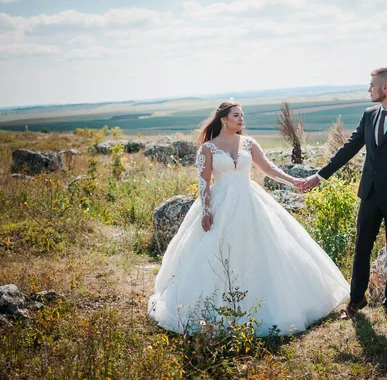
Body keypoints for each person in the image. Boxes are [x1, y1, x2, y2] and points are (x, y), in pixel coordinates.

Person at [148, 101, 349, 336]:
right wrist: (206, 210)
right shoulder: (207, 149)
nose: (241, 119)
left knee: (267, 248)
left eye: (242, 115)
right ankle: (214, 312)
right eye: (236, 115)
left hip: (250, 200)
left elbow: (268, 168)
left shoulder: (249, 144)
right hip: (220, 203)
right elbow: (203, 182)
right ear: (223, 119)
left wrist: (292, 181)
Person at [303, 67, 387, 320]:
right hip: (369, 195)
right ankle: (356, 300)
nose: (368, 89)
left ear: (385, 88)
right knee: (361, 250)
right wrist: (320, 175)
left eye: (371, 85)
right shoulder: (369, 115)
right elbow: (349, 148)